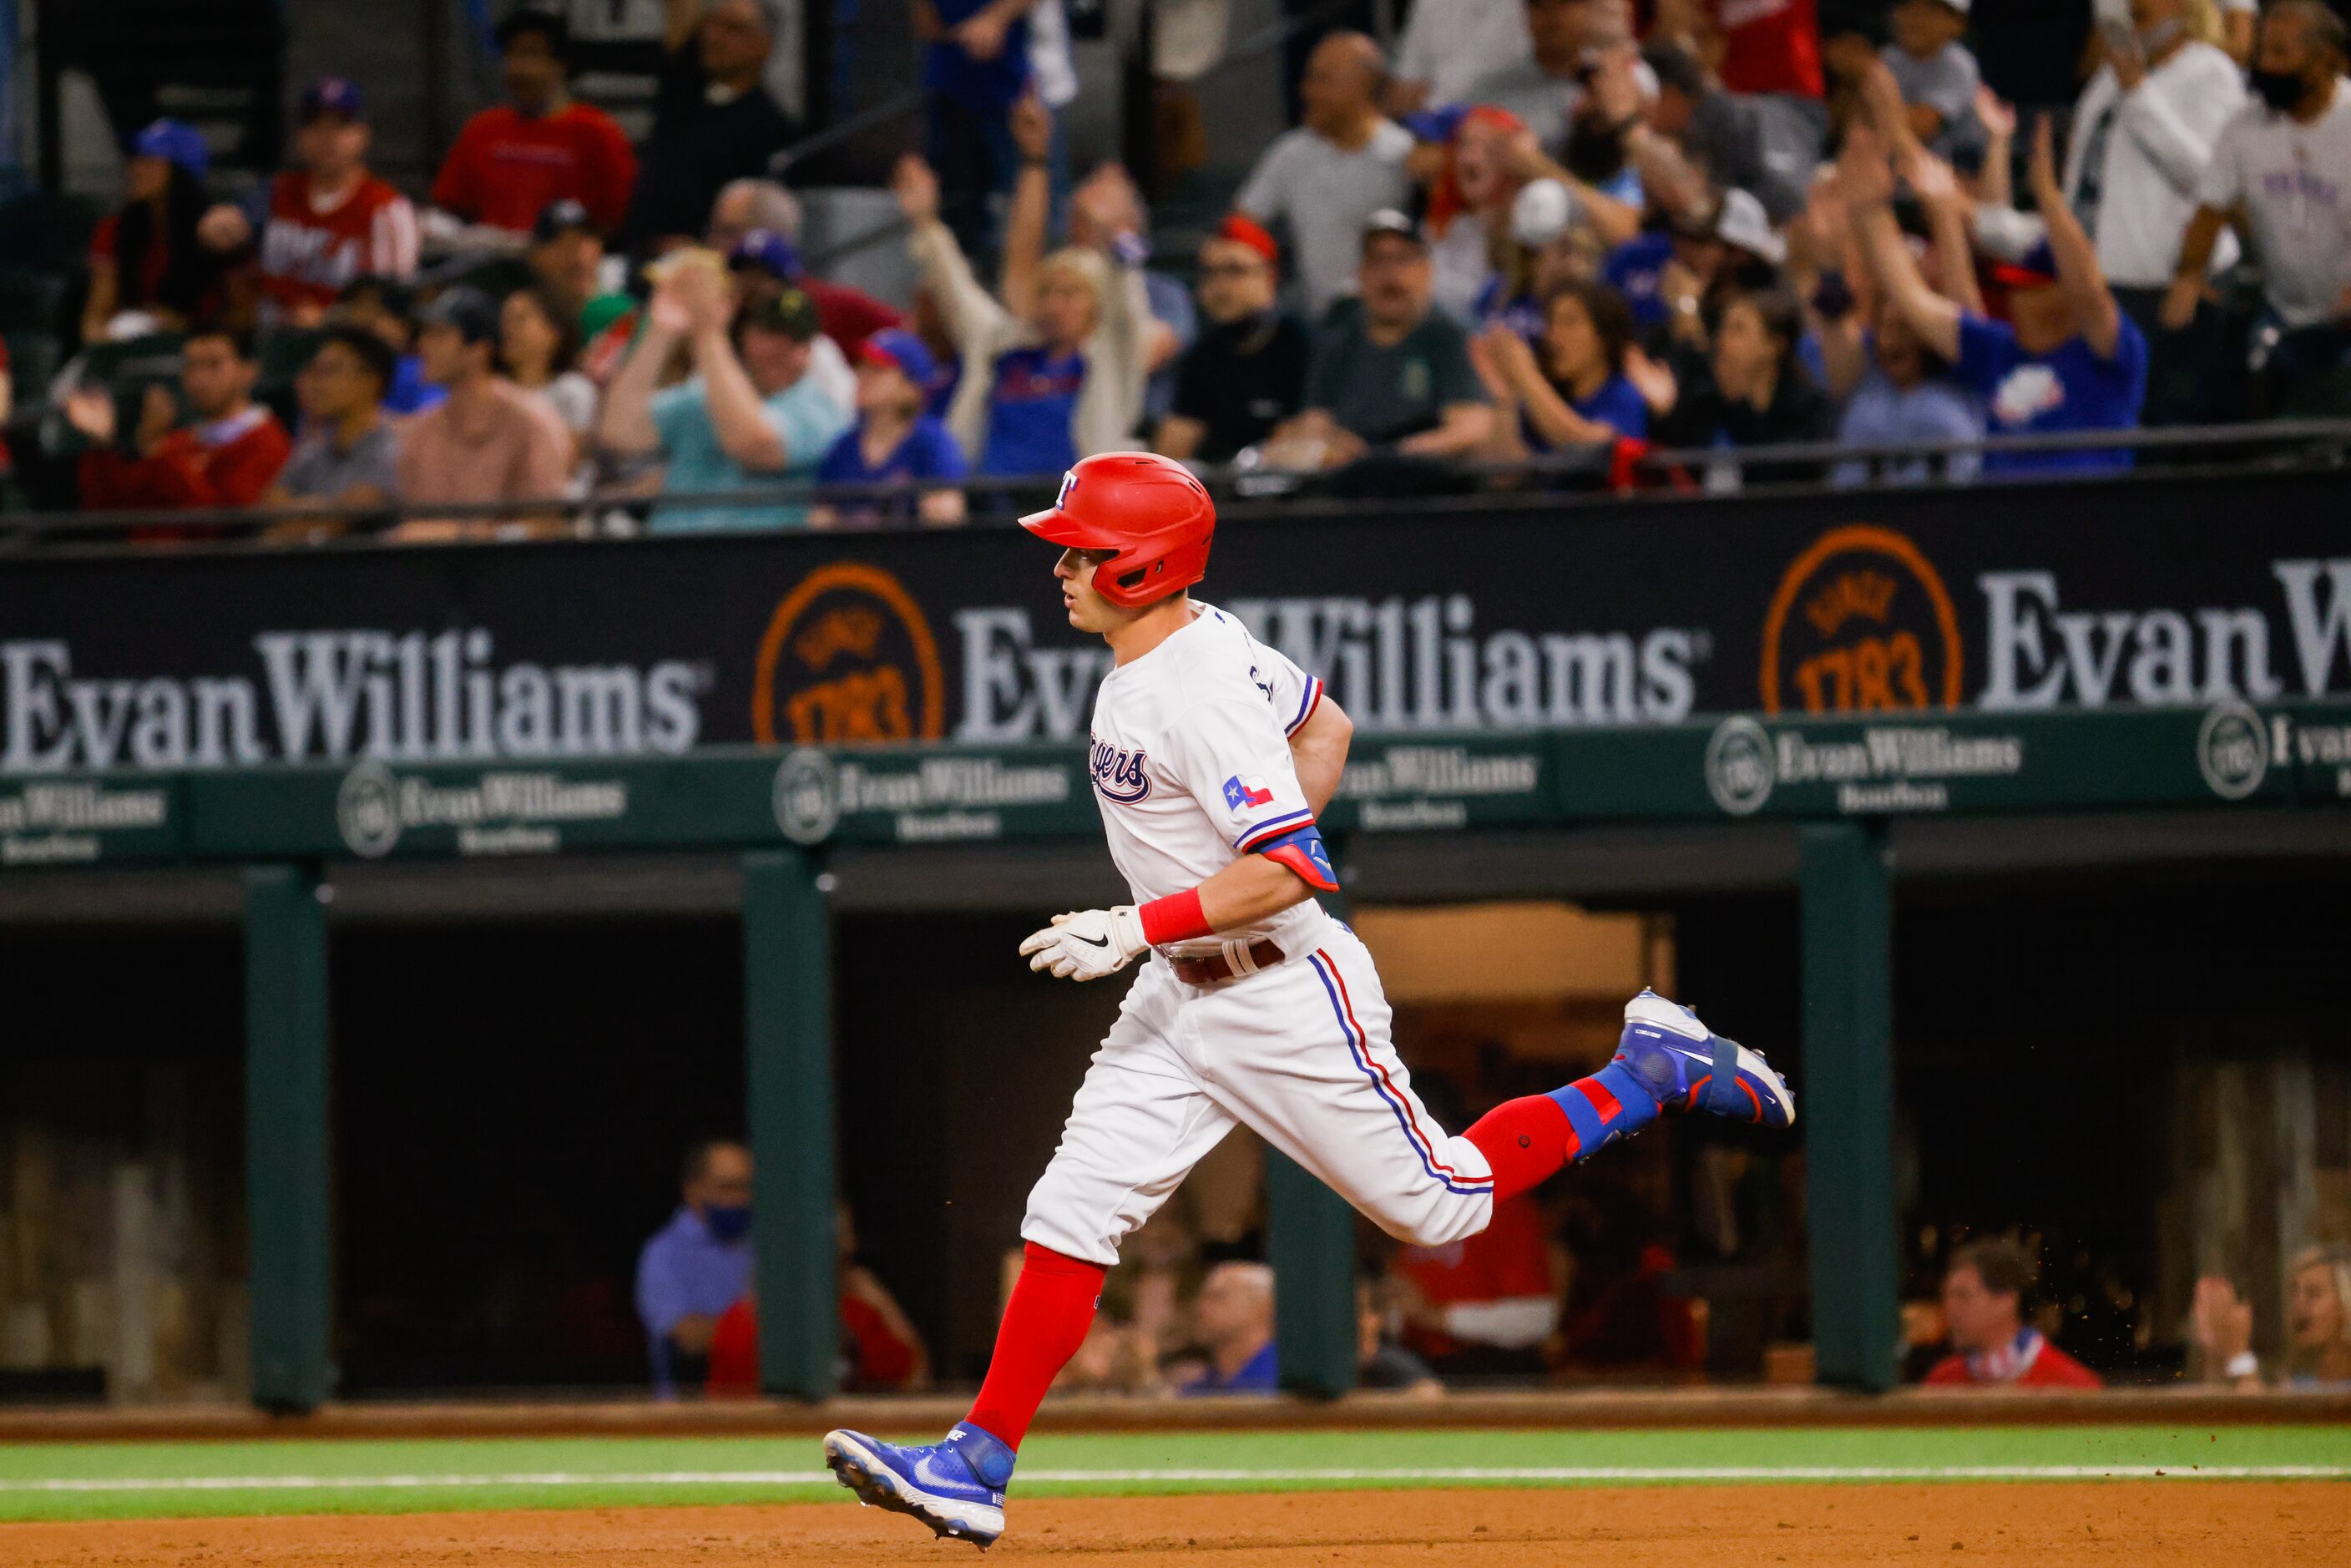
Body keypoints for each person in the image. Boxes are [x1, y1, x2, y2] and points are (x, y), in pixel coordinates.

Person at [821, 448, 1795, 1548]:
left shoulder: (1188, 689)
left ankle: (1649, 1070)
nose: (1061, 567)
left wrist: (1137, 921)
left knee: (1441, 1204)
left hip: (1279, 990)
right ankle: (977, 1461)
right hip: (1179, 995)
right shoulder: (1204, 640)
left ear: (1141, 568)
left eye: (1082, 551)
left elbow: (1290, 866)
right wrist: (1174, 922)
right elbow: (1326, 731)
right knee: (1073, 1208)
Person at [1848, 122, 2145, 473]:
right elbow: (1911, 297)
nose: (2017, 300)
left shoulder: (2108, 351)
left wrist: (2049, 198)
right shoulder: (1997, 350)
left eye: (2030, 288)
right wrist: (1869, 209)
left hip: (2087, 518)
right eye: (2012, 288)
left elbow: (2089, 290)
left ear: (2062, 296)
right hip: (2000, 518)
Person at [894, 152, 1149, 479]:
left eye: (1071, 294)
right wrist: (925, 223)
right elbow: (955, 288)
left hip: (1074, 512)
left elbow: (1127, 308)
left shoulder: (1112, 357)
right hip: (991, 507)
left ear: (1097, 305)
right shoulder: (1004, 347)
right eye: (1047, 293)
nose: (1055, 304)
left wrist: (1121, 234)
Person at [2050, 1, 2243, 425]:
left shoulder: (2211, 72)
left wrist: (2138, 92)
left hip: (2161, 287)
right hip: (2094, 279)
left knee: (2160, 429)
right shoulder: (2107, 78)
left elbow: (2209, 178)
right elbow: (2080, 180)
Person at [2165, 0, 2351, 411]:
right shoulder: (2243, 128)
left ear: (2324, 63)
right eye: (2261, 52)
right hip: (2284, 315)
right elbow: (2210, 208)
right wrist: (2189, 275)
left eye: (2280, 54)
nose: (2264, 65)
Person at [599, 260, 851, 531]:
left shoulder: (820, 412)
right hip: (670, 559)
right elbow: (621, 432)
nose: (780, 348)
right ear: (745, 336)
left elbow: (754, 445)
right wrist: (660, 329)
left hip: (752, 564)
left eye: (795, 339)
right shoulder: (701, 396)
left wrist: (708, 333)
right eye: (768, 333)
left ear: (810, 349)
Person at [1271, 211, 1493, 470]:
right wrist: (1333, 444)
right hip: (1349, 485)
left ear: (1426, 271)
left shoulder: (1446, 338)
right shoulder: (1340, 341)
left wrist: (1386, 458)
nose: (1390, 275)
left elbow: (1471, 427)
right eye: (1378, 261)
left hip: (1423, 486)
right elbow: (1314, 424)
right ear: (1361, 274)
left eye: (1402, 260)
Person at [1233, 32, 1415, 316]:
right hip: (1313, 324)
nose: (1308, 91)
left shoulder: (1403, 156)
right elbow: (1241, 226)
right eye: (1310, 79)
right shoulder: (1291, 153)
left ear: (1363, 86)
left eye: (1322, 80)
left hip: (1387, 320)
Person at [430, 8, 638, 239]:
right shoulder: (481, 129)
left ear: (561, 64)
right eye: (512, 55)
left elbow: (615, 218)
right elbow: (450, 208)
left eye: (532, 55)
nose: (519, 68)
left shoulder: (597, 132)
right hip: (490, 259)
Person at [390, 286, 574, 539]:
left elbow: (547, 525)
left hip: (514, 572)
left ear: (479, 350)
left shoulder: (531, 421)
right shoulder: (422, 432)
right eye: (425, 334)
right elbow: (414, 525)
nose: (423, 345)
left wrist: (467, 534)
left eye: (440, 334)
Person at [625, 0, 801, 250]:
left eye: (733, 30)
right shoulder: (682, 96)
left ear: (763, 46)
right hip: (637, 252)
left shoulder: (770, 129)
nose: (714, 37)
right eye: (711, 25)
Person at [705, 1203, 931, 1395]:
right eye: (843, 1235)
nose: (852, 1245)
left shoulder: (736, 1318)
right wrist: (880, 1300)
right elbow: (917, 1380)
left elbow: (912, 1382)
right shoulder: (741, 1322)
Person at [250, 78, 418, 326]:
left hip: (346, 346)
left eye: (341, 125)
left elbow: (391, 307)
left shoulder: (386, 208)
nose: (327, 137)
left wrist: (329, 320)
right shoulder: (276, 192)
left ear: (363, 134)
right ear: (300, 135)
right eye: (315, 125)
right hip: (269, 341)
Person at [71, 323, 290, 513]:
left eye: (213, 365)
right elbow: (115, 510)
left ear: (248, 371)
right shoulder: (179, 442)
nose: (199, 379)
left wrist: (157, 451)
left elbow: (218, 523)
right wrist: (101, 445)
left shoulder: (266, 443)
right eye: (191, 366)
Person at [1157, 215, 1311, 463]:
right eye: (1211, 273)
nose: (1221, 286)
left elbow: (1308, 434)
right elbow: (1173, 447)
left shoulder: (1300, 345)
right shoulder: (1204, 355)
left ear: (1269, 278)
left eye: (1234, 271)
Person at [81, 119, 245, 344]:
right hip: (132, 348)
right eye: (135, 159)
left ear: (180, 172)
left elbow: (244, 317)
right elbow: (93, 323)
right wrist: (119, 334)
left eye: (149, 161)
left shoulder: (217, 233)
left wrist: (185, 325)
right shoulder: (114, 230)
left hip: (202, 348)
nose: (135, 169)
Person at [1658, 286, 1832, 482]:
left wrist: (1739, 404)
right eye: (1723, 328)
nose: (1722, 340)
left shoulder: (1809, 408)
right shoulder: (1707, 403)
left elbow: (1779, 474)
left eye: (1738, 329)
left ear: (1775, 344)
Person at [919, 0, 1045, 258]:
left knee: (1015, 199)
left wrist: (994, 20)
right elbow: (926, 25)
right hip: (949, 85)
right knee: (954, 210)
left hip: (1008, 91)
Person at [1474, 278, 1649, 463]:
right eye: (1551, 323)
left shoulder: (1624, 394)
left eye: (1569, 323)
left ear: (1604, 337)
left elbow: (1589, 449)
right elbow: (1504, 475)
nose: (1553, 337)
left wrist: (1525, 374)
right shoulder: (1550, 397)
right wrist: (1505, 396)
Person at [635, 1138, 756, 1399]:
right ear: (692, 1190)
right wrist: (761, 1323)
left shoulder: (764, 1244)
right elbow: (688, 1339)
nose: (739, 1199)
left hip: (760, 1408)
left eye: (746, 1188)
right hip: (688, 1417)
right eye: (727, 1188)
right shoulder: (662, 1253)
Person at [1822, 296, 1986, 486]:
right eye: (1883, 327)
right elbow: (1846, 479)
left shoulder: (1960, 391)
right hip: (1860, 511)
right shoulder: (1865, 392)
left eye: (1903, 328)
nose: (1889, 341)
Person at [812, 329, 971, 526]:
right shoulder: (843, 447)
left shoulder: (932, 441)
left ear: (910, 387)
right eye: (862, 367)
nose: (862, 376)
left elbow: (947, 514)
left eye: (878, 370)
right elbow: (821, 519)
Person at [716, 196, 906, 355]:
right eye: (746, 276)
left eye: (763, 277)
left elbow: (906, 333)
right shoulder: (728, 317)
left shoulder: (832, 307)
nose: (754, 286)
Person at [265, 325, 402, 529]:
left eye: (330, 370)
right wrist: (318, 511)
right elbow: (266, 509)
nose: (316, 383)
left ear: (371, 381)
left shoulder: (394, 449)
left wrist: (303, 512)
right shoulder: (312, 452)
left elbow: (345, 517)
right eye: (314, 370)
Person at [1921, 1237, 2103, 1388]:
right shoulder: (1941, 1380)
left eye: (1963, 1295)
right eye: (1947, 1297)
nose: (1950, 1309)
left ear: (2006, 1300)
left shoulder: (2072, 1384)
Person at [2191, 1248, 2351, 1390]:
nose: (2298, 1304)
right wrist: (2217, 1349)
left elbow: (2267, 1416)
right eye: (2294, 1293)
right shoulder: (2297, 1381)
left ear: (2346, 1304)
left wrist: (2238, 1354)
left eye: (2313, 1293)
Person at [497, 286, 597, 465]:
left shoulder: (574, 391)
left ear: (553, 333)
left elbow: (575, 456)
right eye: (505, 322)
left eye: (520, 320)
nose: (509, 330)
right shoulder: (493, 394)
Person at [1388, 0, 1533, 115]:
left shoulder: (1533, 8)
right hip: (1434, 124)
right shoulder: (1430, 3)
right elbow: (1406, 87)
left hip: (1508, 121)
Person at [1879, 0, 1981, 160]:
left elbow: (1919, 128)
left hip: (1961, 168)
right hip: (1902, 166)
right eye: (1908, 8)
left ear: (1957, 24)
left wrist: (1870, 83)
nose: (1916, 19)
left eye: (1930, 11)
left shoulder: (1958, 64)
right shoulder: (1888, 58)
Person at [333, 276, 442, 416]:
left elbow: (435, 415)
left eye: (376, 315)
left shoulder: (420, 371)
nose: (364, 321)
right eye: (356, 312)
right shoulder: (327, 371)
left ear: (403, 325)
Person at [1178, 1262, 1279, 1395]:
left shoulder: (1287, 1381)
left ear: (1264, 1308)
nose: (1200, 1309)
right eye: (1201, 1299)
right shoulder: (1198, 1389)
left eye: (1218, 1297)